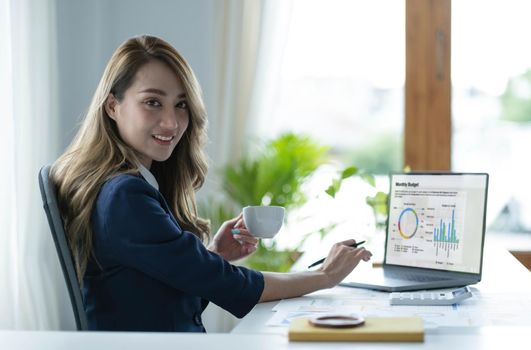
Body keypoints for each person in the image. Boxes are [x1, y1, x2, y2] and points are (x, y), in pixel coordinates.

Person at [50, 35, 372, 332]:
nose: (171, 122)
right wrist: (324, 276)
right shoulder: (125, 196)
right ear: (112, 106)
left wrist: (213, 255)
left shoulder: (127, 186)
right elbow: (233, 286)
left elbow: (163, 297)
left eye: (181, 104)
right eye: (152, 102)